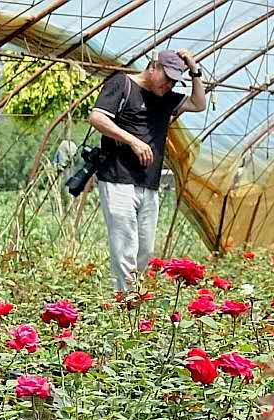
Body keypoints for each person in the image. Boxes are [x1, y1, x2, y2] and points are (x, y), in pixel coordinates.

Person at [88, 50, 207, 292]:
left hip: (148, 183)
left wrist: (194, 69)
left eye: (175, 80)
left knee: (146, 250)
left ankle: (133, 297)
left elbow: (199, 103)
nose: (169, 84)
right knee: (125, 247)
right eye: (167, 77)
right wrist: (132, 140)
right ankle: (126, 304)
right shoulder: (122, 84)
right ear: (153, 67)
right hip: (118, 179)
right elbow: (97, 117)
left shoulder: (166, 98)